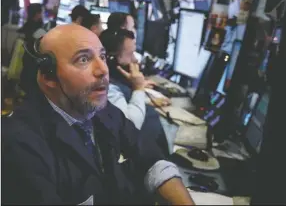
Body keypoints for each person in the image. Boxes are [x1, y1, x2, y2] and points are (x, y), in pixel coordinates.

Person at [2, 24, 194, 205]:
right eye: (83, 59)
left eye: (102, 56)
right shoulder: (18, 144)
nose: (103, 70)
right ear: (48, 76)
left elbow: (148, 156)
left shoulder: (99, 109)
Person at [100, 29, 170, 157]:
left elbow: (124, 104)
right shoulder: (108, 89)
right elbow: (130, 124)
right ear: (111, 60)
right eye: (130, 54)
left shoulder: (113, 84)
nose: (135, 60)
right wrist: (138, 88)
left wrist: (143, 97)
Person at [18, 3, 45, 94]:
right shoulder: (35, 27)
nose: (42, 14)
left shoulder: (28, 24)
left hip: (28, 56)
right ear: (37, 13)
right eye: (41, 12)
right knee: (29, 77)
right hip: (32, 57)